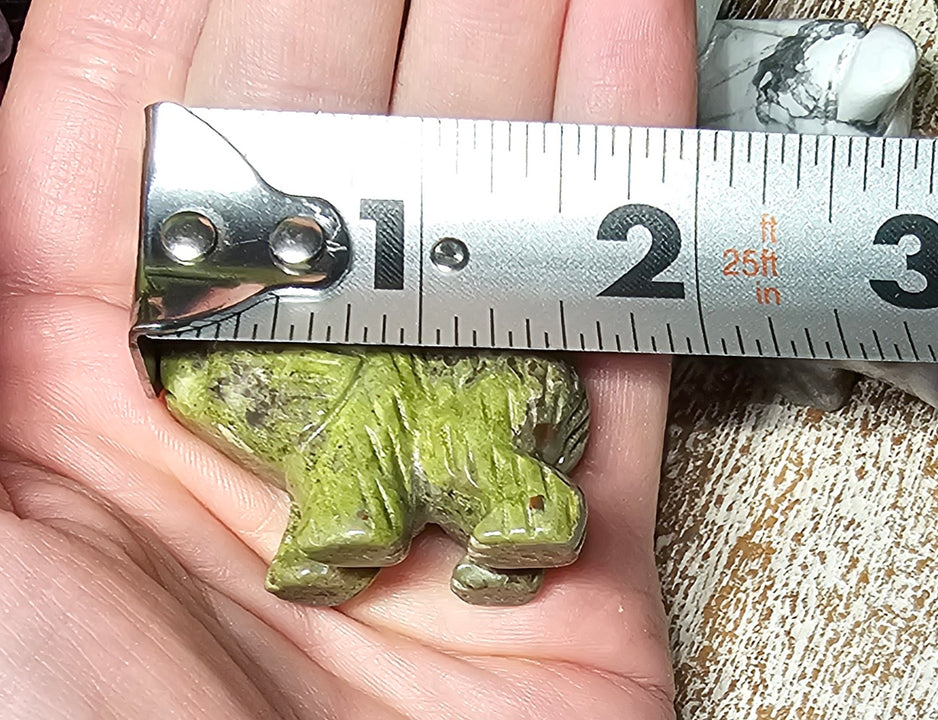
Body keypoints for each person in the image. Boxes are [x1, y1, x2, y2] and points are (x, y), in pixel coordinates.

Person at [0, 1, 696, 717]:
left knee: (448, 455)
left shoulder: (340, 409)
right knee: (419, 470)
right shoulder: (311, 417)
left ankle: (533, 515)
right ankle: (507, 538)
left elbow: (363, 516)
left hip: (481, 383)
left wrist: (337, 536)